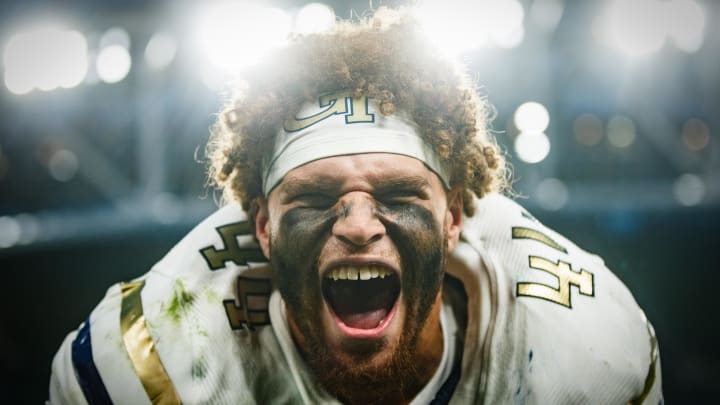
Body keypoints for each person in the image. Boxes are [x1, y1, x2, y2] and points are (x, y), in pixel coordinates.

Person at [49, 8, 662, 405]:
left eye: (397, 195)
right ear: (263, 226)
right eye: (316, 197)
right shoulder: (150, 360)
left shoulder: (588, 352)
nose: (360, 225)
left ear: (453, 218)